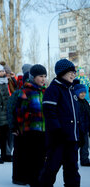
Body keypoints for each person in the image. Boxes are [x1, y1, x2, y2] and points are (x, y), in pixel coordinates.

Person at [39, 59, 80, 187]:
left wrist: (80, 133)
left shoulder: (72, 90)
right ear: (62, 72)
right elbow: (50, 112)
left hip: (72, 139)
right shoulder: (54, 89)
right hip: (58, 139)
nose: (74, 74)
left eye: (74, 72)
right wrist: (57, 131)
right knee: (51, 169)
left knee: (72, 170)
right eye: (71, 72)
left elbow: (76, 114)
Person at [14, 64, 47, 186]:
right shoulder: (25, 92)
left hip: (43, 130)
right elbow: (19, 112)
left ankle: (40, 180)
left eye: (44, 76)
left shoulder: (45, 91)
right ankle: (33, 180)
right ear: (33, 77)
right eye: (40, 76)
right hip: (31, 131)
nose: (43, 79)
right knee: (32, 157)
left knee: (42, 157)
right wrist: (23, 125)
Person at [74, 84, 90, 166]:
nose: (83, 94)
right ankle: (72, 161)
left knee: (85, 145)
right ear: (76, 93)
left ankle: (85, 160)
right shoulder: (75, 103)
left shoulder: (85, 102)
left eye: (84, 92)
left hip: (85, 128)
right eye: (81, 92)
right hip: (77, 129)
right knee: (75, 146)